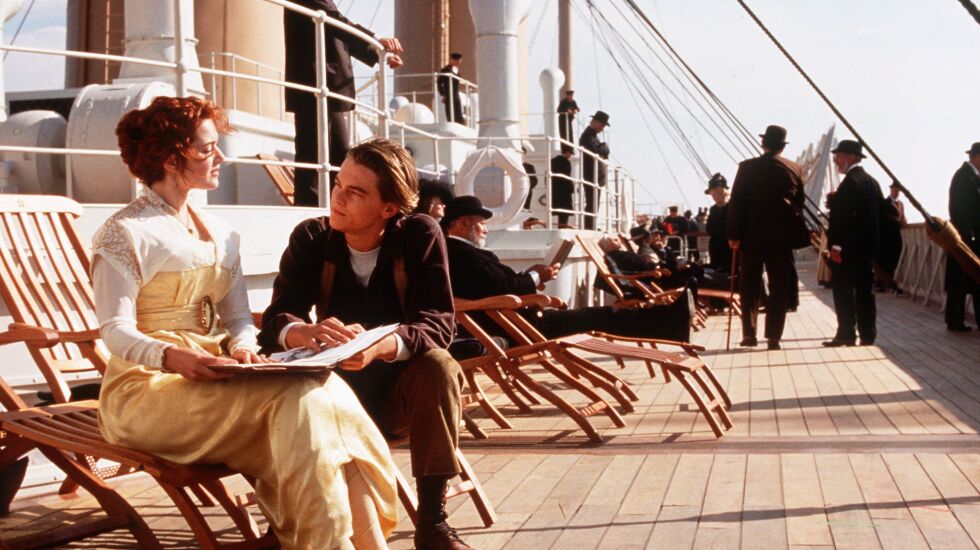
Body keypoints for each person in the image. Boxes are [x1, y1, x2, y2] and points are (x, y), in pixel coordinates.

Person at [94, 97, 397, 550]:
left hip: (217, 376)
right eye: (207, 149)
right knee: (301, 404)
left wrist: (242, 348)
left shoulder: (221, 232)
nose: (221, 156)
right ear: (172, 159)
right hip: (147, 390)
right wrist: (173, 356)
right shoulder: (125, 232)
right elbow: (114, 330)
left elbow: (237, 316)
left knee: (322, 388)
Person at [259, 139, 473, 549]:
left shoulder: (418, 234)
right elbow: (276, 319)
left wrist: (379, 346)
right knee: (282, 386)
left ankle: (432, 522)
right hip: (329, 396)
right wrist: (303, 332)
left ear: (389, 208)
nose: (337, 198)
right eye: (338, 184)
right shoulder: (313, 237)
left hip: (397, 396)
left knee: (440, 366)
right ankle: (288, 523)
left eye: (355, 192)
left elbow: (437, 324)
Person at [443, 197, 693, 343]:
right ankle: (669, 324)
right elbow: (500, 288)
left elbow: (492, 284)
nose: (486, 229)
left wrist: (531, 275)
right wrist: (535, 277)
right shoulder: (461, 253)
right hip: (515, 327)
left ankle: (668, 320)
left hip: (516, 321)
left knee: (601, 315)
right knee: (602, 316)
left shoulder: (461, 252)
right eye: (482, 223)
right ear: (464, 223)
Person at [285, 0, 404, 206]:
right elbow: (334, 20)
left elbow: (336, 27)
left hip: (327, 86)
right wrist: (375, 42)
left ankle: (336, 210)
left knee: (339, 156)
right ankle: (309, 212)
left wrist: (379, 54)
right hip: (314, 84)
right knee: (313, 155)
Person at [727, 125, 805, 350]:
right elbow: (799, 203)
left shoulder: (747, 167)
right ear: (782, 147)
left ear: (764, 144)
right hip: (781, 239)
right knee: (779, 286)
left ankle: (749, 334)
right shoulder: (794, 169)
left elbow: (736, 203)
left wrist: (733, 234)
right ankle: (774, 337)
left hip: (751, 237)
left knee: (749, 284)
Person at [823, 139, 883, 347]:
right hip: (867, 249)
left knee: (843, 290)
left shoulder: (850, 183)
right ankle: (868, 334)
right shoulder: (872, 182)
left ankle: (846, 333)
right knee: (866, 291)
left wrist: (836, 246)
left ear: (850, 157)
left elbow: (843, 218)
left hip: (848, 249)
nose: (836, 161)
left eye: (839, 157)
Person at [944, 142, 980, 332]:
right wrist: (969, 234)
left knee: (968, 279)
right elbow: (959, 209)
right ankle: (954, 321)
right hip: (966, 238)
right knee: (960, 280)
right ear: (976, 157)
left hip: (967, 236)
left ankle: (955, 320)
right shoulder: (964, 177)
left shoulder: (970, 176)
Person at [579, 111, 611, 230]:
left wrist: (603, 148)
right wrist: (604, 146)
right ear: (596, 122)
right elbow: (595, 151)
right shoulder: (587, 136)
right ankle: (589, 226)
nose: (602, 128)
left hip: (596, 175)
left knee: (594, 202)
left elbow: (601, 151)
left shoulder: (593, 136)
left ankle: (591, 225)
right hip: (591, 174)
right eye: (602, 125)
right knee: (592, 202)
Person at [875, 182, 905, 294]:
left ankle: (889, 282)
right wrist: (896, 222)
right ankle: (882, 283)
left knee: (894, 258)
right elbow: (884, 219)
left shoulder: (900, 204)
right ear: (891, 190)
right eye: (895, 190)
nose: (897, 193)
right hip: (887, 236)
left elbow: (902, 217)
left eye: (898, 191)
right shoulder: (885, 203)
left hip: (896, 235)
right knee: (885, 259)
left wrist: (902, 221)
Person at [705, 173, 733, 273]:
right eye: (713, 195)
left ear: (723, 192)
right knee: (716, 269)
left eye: (716, 194)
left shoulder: (732, 207)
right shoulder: (713, 209)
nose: (714, 197)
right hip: (716, 244)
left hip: (729, 244)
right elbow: (709, 227)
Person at [550, 144, 575, 227]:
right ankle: (562, 226)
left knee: (556, 210)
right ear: (567, 152)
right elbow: (567, 176)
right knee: (564, 212)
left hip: (554, 190)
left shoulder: (552, 161)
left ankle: (559, 226)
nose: (570, 156)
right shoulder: (566, 162)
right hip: (564, 191)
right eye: (570, 153)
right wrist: (572, 189)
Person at [437, 52, 465, 124]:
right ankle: (452, 123)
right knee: (450, 112)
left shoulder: (456, 70)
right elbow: (439, 82)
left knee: (458, 112)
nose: (459, 63)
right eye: (458, 61)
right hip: (448, 94)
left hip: (456, 94)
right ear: (453, 60)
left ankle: (460, 124)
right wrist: (443, 94)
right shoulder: (445, 70)